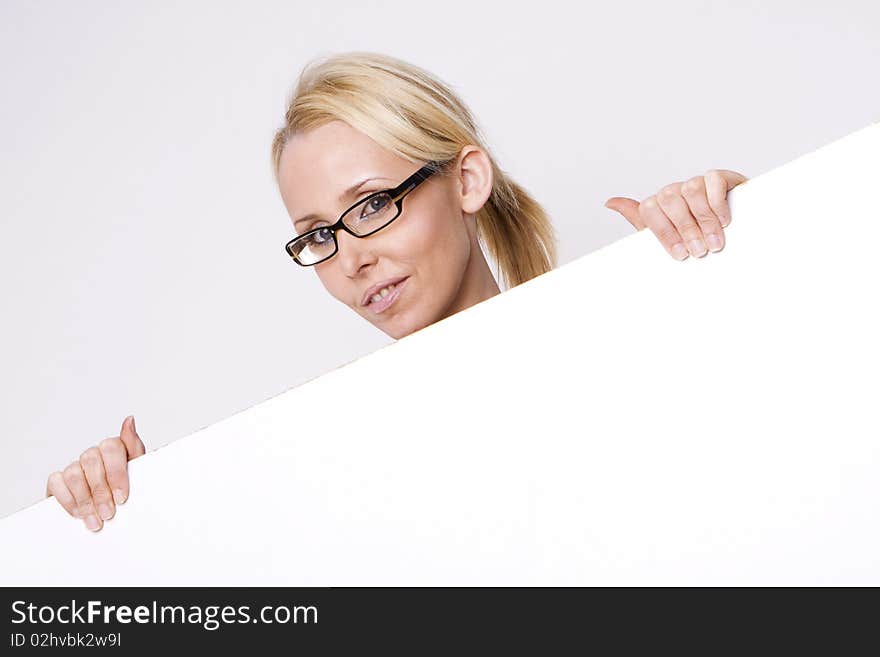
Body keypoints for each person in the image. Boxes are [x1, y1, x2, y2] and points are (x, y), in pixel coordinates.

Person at [45, 51, 748, 531]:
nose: (351, 256)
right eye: (318, 234)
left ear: (467, 180)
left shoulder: (617, 341)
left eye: (375, 203)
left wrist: (748, 227)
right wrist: (126, 511)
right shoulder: (320, 469)